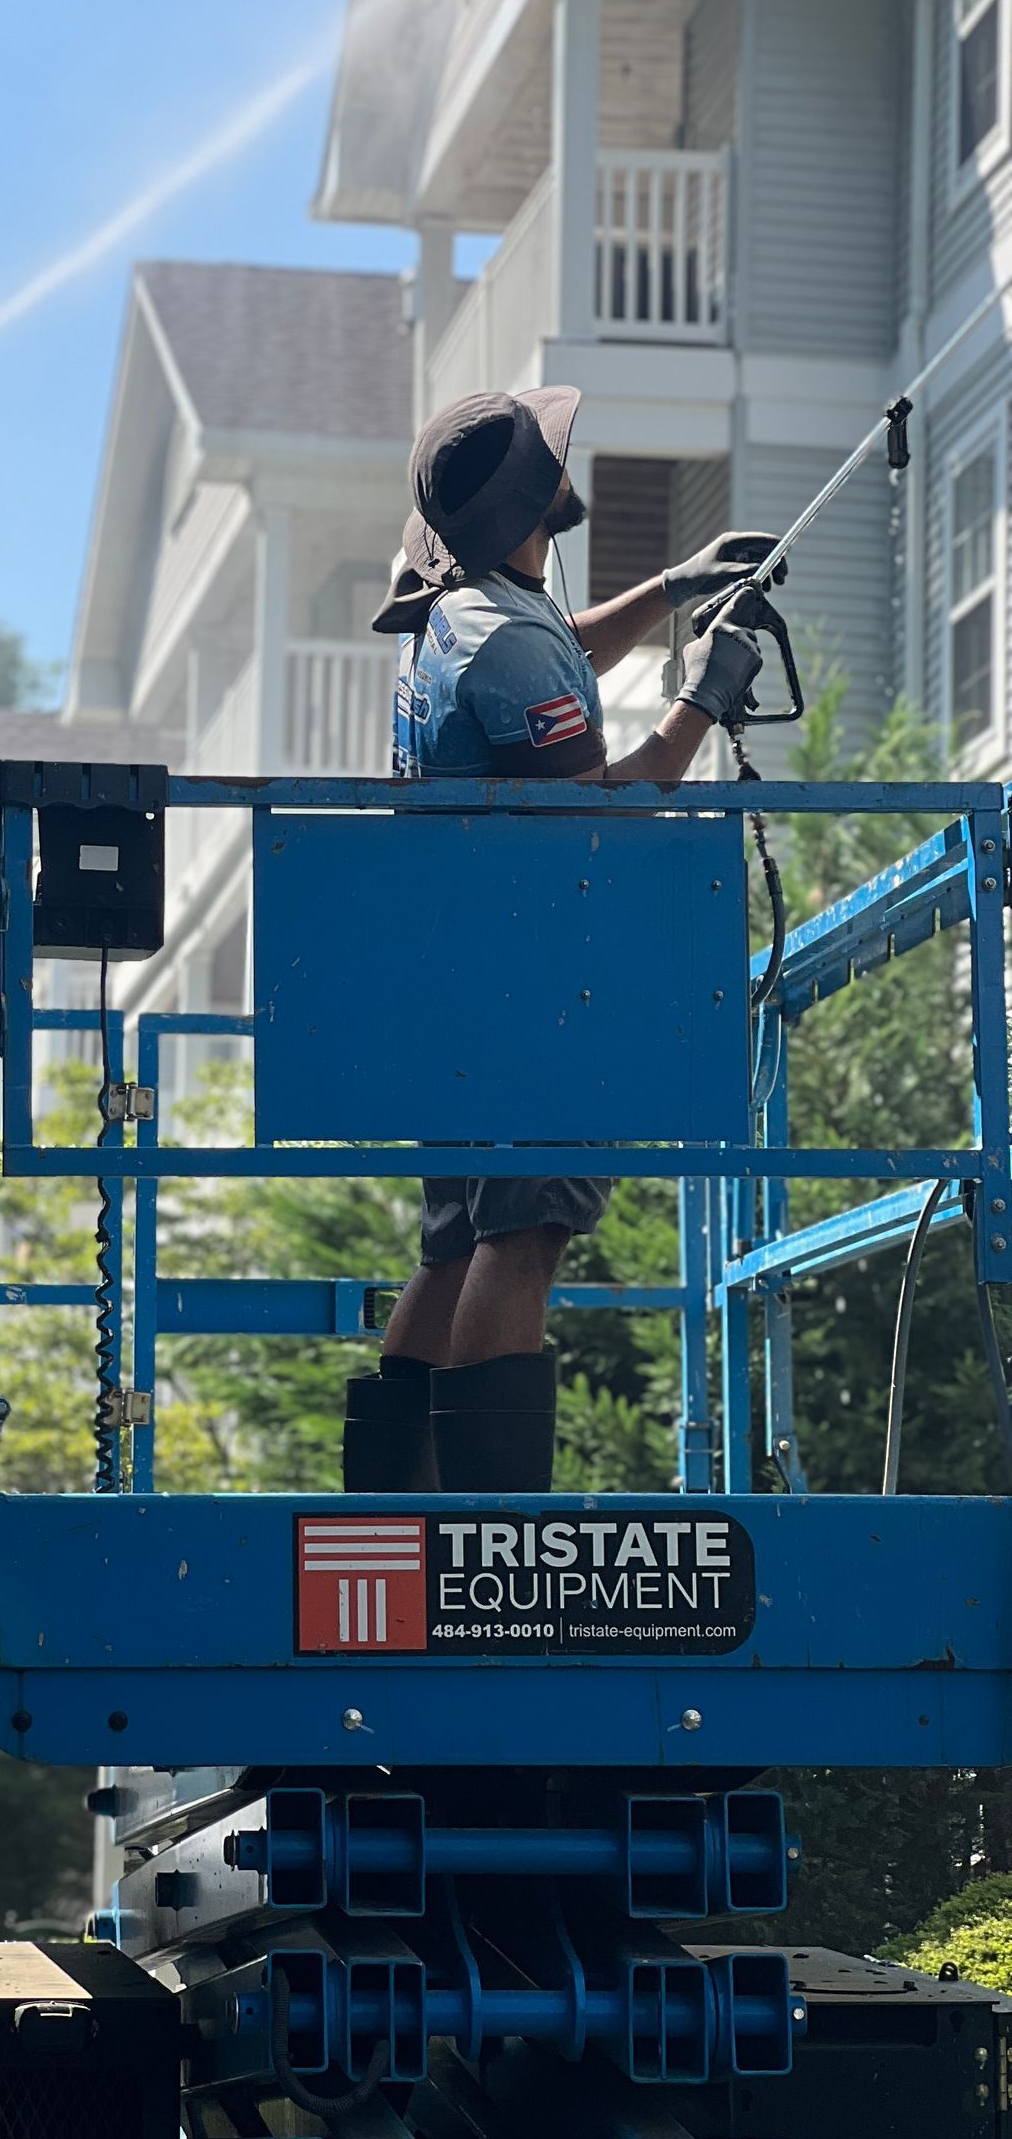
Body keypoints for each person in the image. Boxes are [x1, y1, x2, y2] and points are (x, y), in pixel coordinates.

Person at [346, 386, 779, 1493]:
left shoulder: (467, 611)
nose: (565, 463)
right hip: (532, 988)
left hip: (460, 983)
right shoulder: (501, 643)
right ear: (531, 500)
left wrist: (674, 589)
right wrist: (703, 698)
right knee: (521, 1238)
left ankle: (397, 1520)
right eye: (553, 458)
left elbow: (562, 652)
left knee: (455, 1243)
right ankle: (489, 1534)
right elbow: (607, 811)